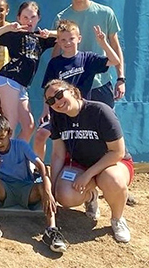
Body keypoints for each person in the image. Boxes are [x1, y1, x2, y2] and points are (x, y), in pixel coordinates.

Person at [45, 80, 134, 243]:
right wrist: (52, 186)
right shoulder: (57, 118)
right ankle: (91, 196)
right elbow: (58, 154)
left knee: (112, 180)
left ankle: (117, 219)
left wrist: (88, 175)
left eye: (59, 95)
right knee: (64, 195)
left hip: (112, 163)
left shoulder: (99, 111)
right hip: (80, 165)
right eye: (51, 101)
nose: (57, 102)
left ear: (72, 91)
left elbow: (118, 152)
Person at [33, 20, 120, 159]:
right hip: (59, 111)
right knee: (40, 135)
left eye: (71, 39)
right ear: (58, 42)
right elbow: (47, 90)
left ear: (79, 39)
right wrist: (45, 110)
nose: (67, 43)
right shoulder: (55, 63)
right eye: (63, 40)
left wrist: (103, 43)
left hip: (81, 112)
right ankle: (39, 170)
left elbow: (115, 61)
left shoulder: (88, 59)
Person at [0, 114, 67, 253]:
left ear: (9, 133)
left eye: (2, 138)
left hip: (27, 190)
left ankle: (51, 230)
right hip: (6, 191)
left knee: (42, 186)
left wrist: (48, 191)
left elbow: (41, 166)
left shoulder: (20, 145)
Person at [0, 1, 56, 141]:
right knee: (11, 121)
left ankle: (17, 155)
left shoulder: (40, 38)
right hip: (8, 78)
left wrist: (49, 33)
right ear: (18, 18)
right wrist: (8, 27)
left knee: (29, 126)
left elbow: (66, 34)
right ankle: (5, 158)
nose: (29, 21)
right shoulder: (13, 35)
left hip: (22, 85)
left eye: (33, 17)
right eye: (25, 17)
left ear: (39, 18)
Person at [55, 0, 125, 107]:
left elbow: (115, 46)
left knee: (104, 128)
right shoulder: (61, 17)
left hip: (101, 84)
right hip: (72, 88)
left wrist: (121, 78)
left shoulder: (106, 13)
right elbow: (56, 54)